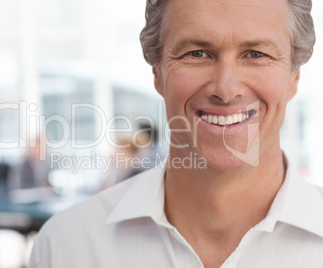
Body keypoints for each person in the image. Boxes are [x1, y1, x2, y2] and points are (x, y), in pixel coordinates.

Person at [29, 0, 323, 267]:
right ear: (158, 73)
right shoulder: (66, 246)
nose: (226, 89)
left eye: (256, 54)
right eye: (197, 53)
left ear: (294, 77)